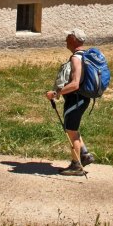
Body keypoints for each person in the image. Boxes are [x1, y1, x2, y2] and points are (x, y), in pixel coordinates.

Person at [45, 28, 95, 176]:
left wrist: (55, 93)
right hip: (82, 98)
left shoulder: (76, 58)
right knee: (72, 129)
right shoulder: (84, 55)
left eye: (68, 36)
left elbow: (74, 84)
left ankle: (76, 166)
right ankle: (84, 155)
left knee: (71, 132)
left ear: (74, 39)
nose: (66, 38)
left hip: (76, 99)